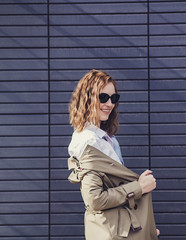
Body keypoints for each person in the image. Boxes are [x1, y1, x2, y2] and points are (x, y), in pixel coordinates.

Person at [67, 69, 160, 239]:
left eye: (114, 98)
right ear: (88, 98)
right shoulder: (89, 142)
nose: (109, 104)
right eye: (103, 97)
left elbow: (115, 191)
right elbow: (95, 199)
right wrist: (139, 187)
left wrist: (144, 226)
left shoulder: (106, 139)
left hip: (121, 230)